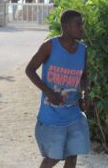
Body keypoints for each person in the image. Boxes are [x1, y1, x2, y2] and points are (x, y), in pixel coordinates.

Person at [25, 10, 90, 168]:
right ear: (66, 26)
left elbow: (84, 76)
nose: (82, 28)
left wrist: (85, 95)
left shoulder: (82, 50)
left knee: (72, 156)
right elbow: (30, 70)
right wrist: (49, 93)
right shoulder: (50, 46)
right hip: (51, 117)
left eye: (82, 24)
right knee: (53, 159)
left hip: (74, 115)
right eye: (78, 24)